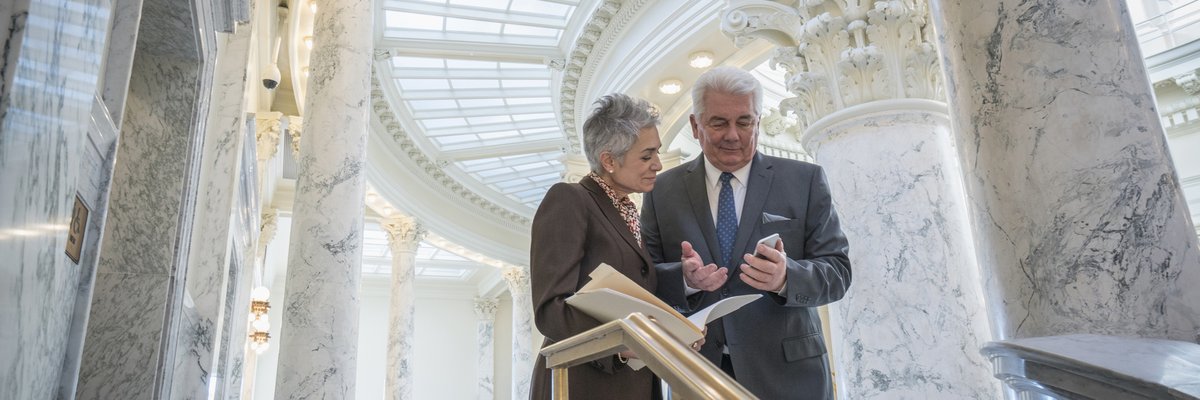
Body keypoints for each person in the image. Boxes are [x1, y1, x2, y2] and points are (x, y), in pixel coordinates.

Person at [641, 66, 852, 399]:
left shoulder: (804, 180)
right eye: (718, 123)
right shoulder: (661, 190)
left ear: (758, 121)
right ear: (696, 126)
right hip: (699, 372)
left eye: (744, 122)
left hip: (791, 377)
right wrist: (683, 279)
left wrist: (786, 277)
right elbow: (645, 277)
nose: (733, 135)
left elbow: (838, 272)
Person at [528, 93, 664, 400]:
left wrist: (687, 278)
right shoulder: (569, 199)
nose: (657, 164)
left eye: (657, 153)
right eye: (646, 156)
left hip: (631, 384)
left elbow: (635, 286)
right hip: (581, 383)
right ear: (609, 160)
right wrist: (622, 342)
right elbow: (551, 310)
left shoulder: (626, 210)